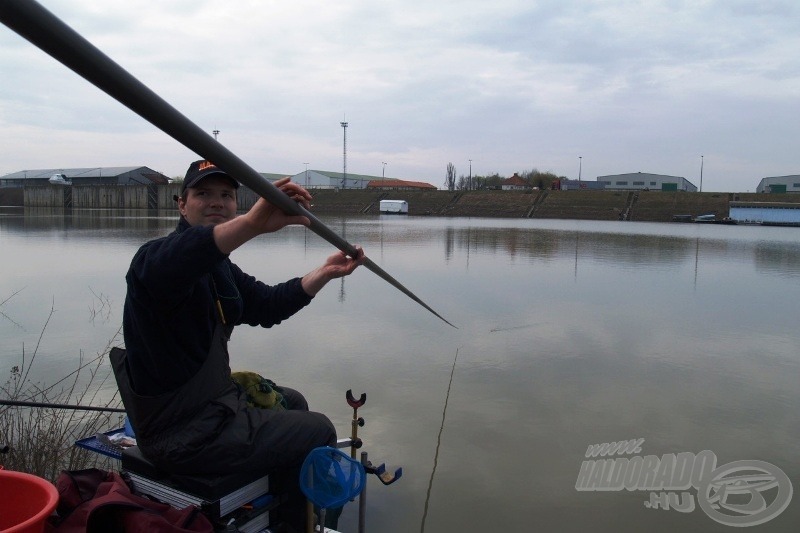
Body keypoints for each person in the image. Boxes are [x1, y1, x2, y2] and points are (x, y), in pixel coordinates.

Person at [116, 160, 364, 531]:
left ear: (235, 202)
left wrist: (325, 273)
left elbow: (265, 304)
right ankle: (294, 526)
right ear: (181, 204)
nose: (216, 202)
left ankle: (279, 507)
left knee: (292, 400)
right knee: (316, 429)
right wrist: (250, 225)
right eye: (203, 194)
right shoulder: (154, 261)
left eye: (226, 196)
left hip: (211, 410)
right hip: (179, 435)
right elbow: (181, 258)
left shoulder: (220, 269)